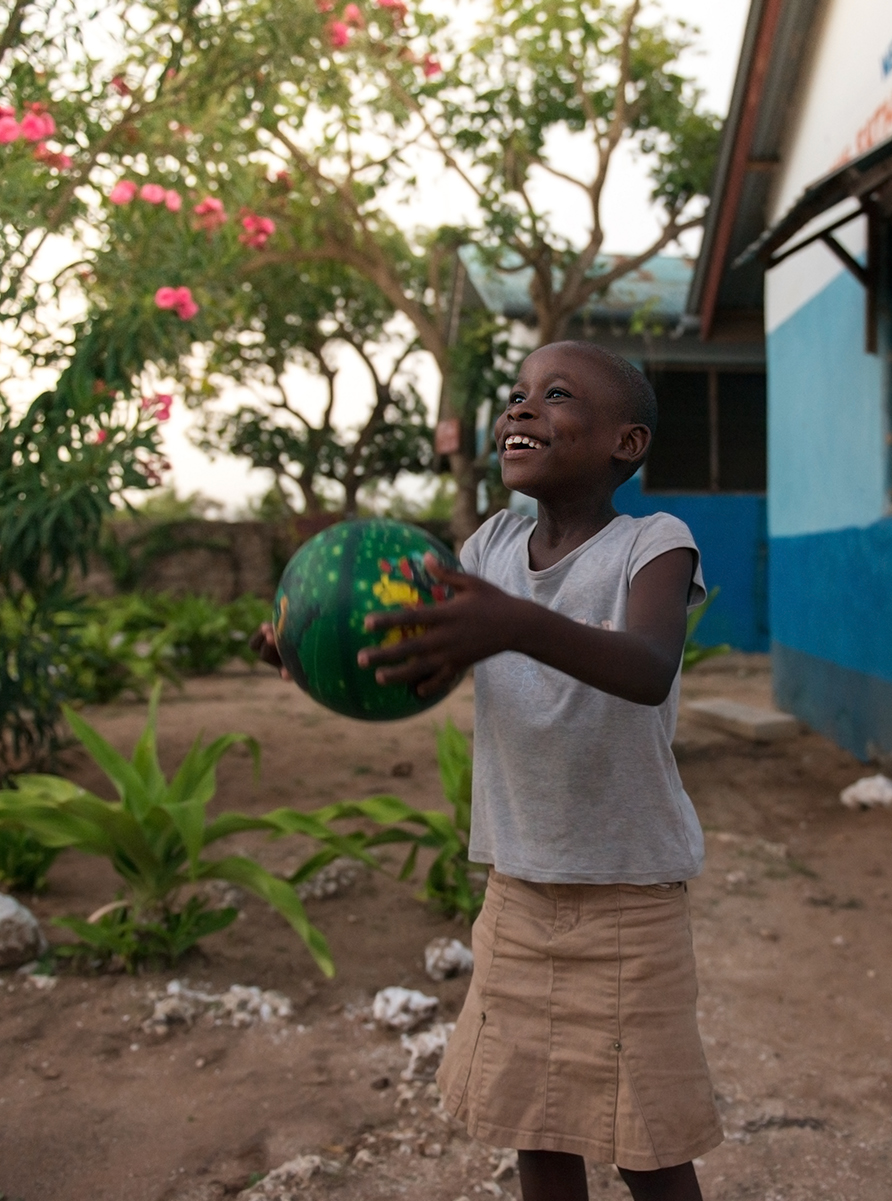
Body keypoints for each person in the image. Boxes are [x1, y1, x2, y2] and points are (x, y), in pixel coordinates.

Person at [253, 340, 719, 1201]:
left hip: (629, 896)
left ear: (627, 442)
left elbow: (650, 663)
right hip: (518, 891)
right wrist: (322, 645)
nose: (520, 409)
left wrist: (508, 622)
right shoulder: (488, 549)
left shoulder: (653, 544)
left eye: (556, 394)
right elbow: (432, 650)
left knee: (648, 1141)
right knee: (535, 1127)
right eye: (515, 394)